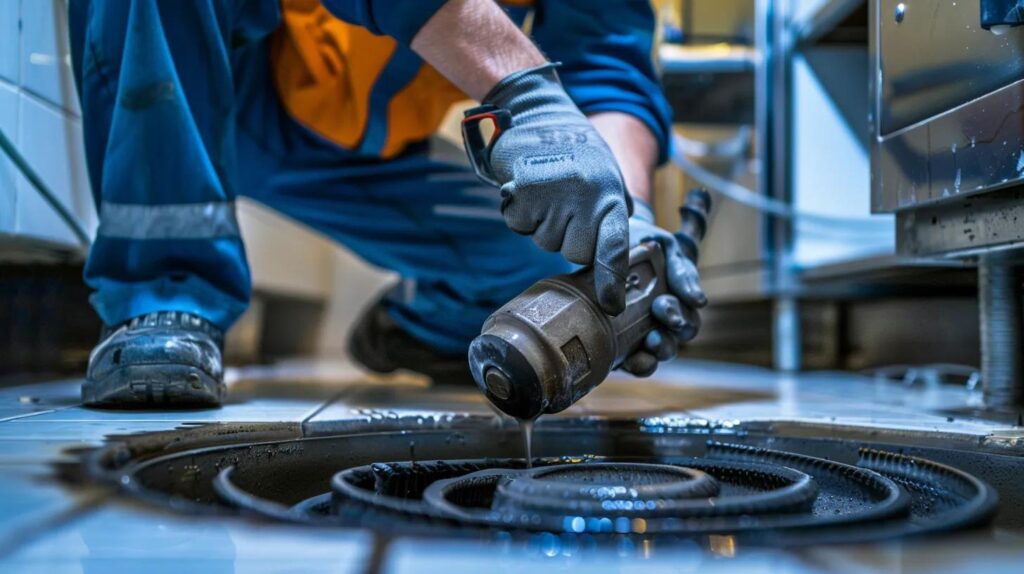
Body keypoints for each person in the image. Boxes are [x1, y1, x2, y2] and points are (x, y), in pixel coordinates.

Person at [71, 0, 706, 407]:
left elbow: (607, 59)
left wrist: (630, 228)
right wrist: (525, 89)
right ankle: (164, 300)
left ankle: (414, 332)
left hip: (356, 145)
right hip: (216, 75)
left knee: (548, 270)